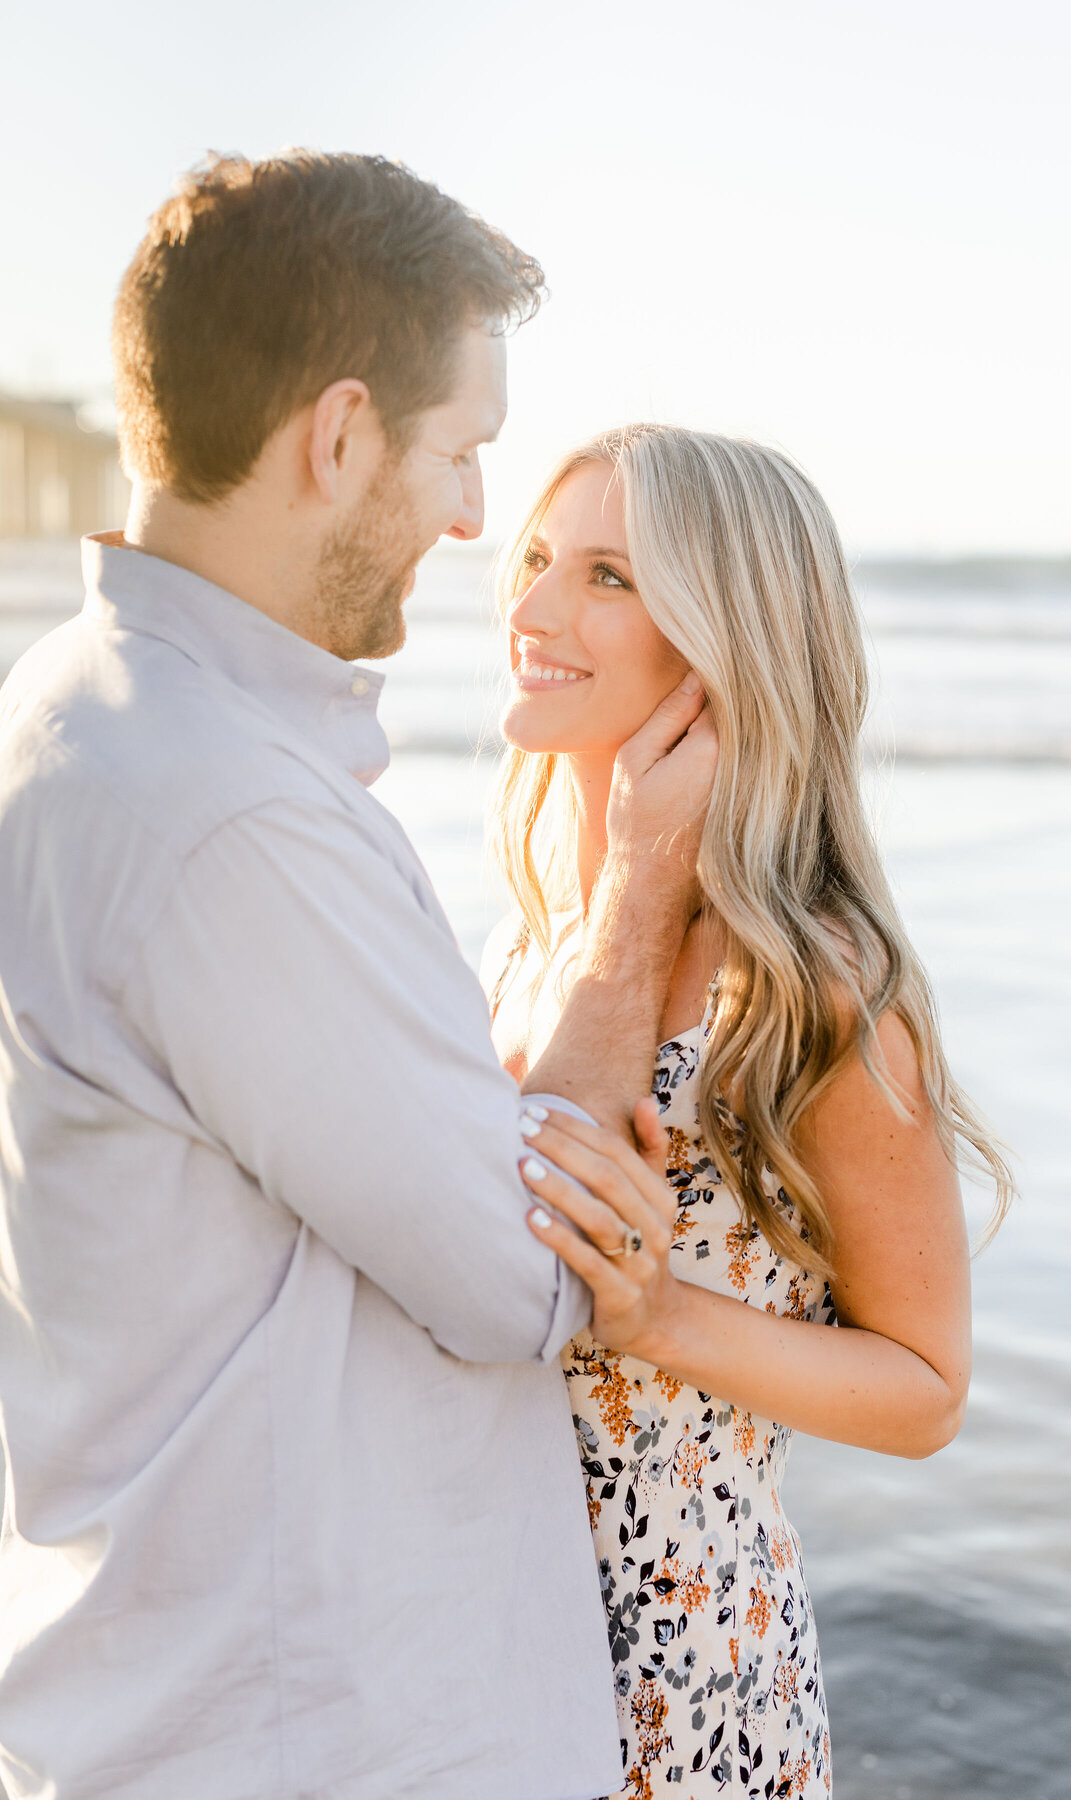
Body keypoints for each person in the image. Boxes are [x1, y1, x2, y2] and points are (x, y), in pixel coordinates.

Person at [0, 158, 717, 1799]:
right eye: (461, 453)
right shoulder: (228, 814)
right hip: (313, 1740)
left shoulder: (74, 702)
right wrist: (637, 900)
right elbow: (525, 1284)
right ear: (337, 437)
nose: (477, 519)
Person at [483, 425, 1014, 1798]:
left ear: (725, 642)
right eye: (539, 560)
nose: (530, 609)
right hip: (479, 1625)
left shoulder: (813, 992)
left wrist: (662, 1318)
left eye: (605, 577)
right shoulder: (527, 940)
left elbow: (926, 1389)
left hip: (685, 1672)